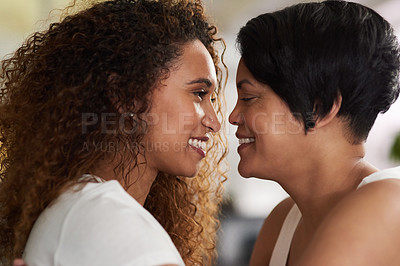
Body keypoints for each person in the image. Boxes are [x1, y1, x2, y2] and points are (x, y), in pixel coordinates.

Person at [0, 0, 227, 265]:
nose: (214, 122)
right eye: (199, 93)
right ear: (126, 96)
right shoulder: (110, 219)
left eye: (212, 99)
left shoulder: (79, 206)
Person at [229, 1, 400, 265]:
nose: (233, 116)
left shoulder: (388, 203)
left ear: (319, 108)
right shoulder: (281, 221)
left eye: (249, 98)